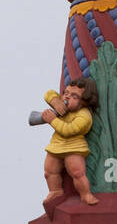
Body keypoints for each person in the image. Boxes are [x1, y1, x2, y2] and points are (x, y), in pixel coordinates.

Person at [41, 77, 99, 206]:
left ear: (84, 101)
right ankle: (55, 191)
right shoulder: (62, 108)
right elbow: (48, 93)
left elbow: (68, 130)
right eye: (66, 93)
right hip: (56, 146)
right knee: (49, 171)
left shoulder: (84, 116)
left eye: (74, 96)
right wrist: (56, 101)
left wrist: (52, 120)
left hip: (74, 148)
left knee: (78, 173)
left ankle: (85, 194)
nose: (66, 98)